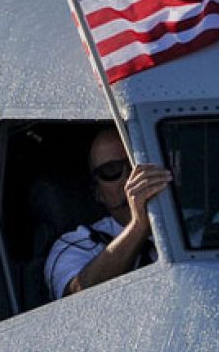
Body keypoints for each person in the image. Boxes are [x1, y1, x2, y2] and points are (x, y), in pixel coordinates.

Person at [44, 128, 173, 299]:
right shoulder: (76, 245)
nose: (130, 180)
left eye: (137, 165)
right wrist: (138, 226)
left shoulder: (207, 227)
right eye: (111, 170)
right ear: (97, 192)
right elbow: (77, 298)